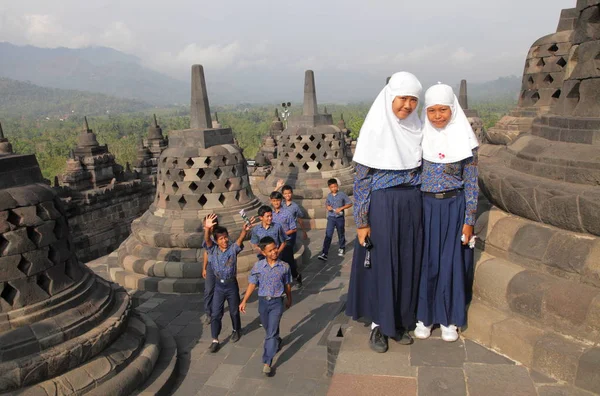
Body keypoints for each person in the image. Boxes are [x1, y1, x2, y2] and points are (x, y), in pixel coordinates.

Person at [345, 72, 424, 353]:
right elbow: (362, 179)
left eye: (413, 100)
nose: (408, 105)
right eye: (403, 98)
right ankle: (380, 325)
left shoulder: (418, 127)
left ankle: (400, 320)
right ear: (391, 97)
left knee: (407, 261)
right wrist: (362, 221)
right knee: (383, 263)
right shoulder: (376, 129)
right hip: (384, 205)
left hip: (413, 203)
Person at [414, 83, 479, 342]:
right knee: (426, 261)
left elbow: (472, 182)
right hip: (425, 207)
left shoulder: (466, 142)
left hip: (455, 206)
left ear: (453, 109)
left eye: (443, 110)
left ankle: (448, 318)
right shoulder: (418, 137)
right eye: (432, 111)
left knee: (450, 262)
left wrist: (469, 220)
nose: (438, 116)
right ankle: (424, 315)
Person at [240, 236, 292, 376]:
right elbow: (252, 284)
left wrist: (289, 299)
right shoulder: (258, 267)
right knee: (269, 329)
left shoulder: (284, 267)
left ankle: (267, 362)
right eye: (270, 250)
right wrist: (244, 300)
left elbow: (287, 285)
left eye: (275, 248)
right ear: (264, 252)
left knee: (270, 333)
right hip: (263, 302)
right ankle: (277, 339)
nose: (274, 252)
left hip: (277, 303)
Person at [203, 213, 254, 353]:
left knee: (233, 311)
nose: (224, 240)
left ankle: (236, 329)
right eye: (221, 238)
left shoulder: (232, 249)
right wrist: (207, 229)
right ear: (216, 240)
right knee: (216, 313)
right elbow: (207, 240)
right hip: (219, 286)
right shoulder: (212, 250)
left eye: (226, 237)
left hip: (231, 285)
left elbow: (239, 241)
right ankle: (215, 339)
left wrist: (244, 231)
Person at [270, 191, 302, 286]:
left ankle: (296, 276)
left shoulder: (287, 214)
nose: (276, 203)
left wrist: (282, 234)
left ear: (281, 201)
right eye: (274, 201)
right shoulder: (271, 214)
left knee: (289, 262)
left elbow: (294, 229)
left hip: (286, 242)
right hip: (275, 243)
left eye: (278, 200)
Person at [317, 179, 353, 260]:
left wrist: (341, 208)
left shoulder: (342, 194)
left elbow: (350, 203)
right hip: (331, 218)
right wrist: (328, 207)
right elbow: (327, 204)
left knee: (341, 233)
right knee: (328, 234)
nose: (334, 188)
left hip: (339, 218)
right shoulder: (329, 196)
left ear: (337, 186)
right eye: (332, 187)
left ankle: (342, 247)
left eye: (335, 186)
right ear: (329, 188)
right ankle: (324, 253)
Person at [202, 250, 214, 325]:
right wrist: (204, 268)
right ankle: (208, 313)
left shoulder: (225, 240)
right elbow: (206, 252)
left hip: (222, 264)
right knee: (208, 290)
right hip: (211, 266)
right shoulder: (210, 239)